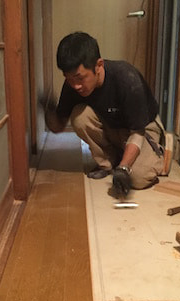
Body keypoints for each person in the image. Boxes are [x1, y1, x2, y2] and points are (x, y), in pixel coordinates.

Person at [41, 31, 171, 199]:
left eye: (80, 78)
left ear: (99, 65)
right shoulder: (72, 86)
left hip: (141, 130)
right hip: (111, 127)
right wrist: (48, 110)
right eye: (69, 79)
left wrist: (124, 168)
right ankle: (108, 162)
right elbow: (59, 126)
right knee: (80, 117)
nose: (76, 86)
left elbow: (137, 133)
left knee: (138, 178)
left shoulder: (126, 79)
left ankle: (157, 151)